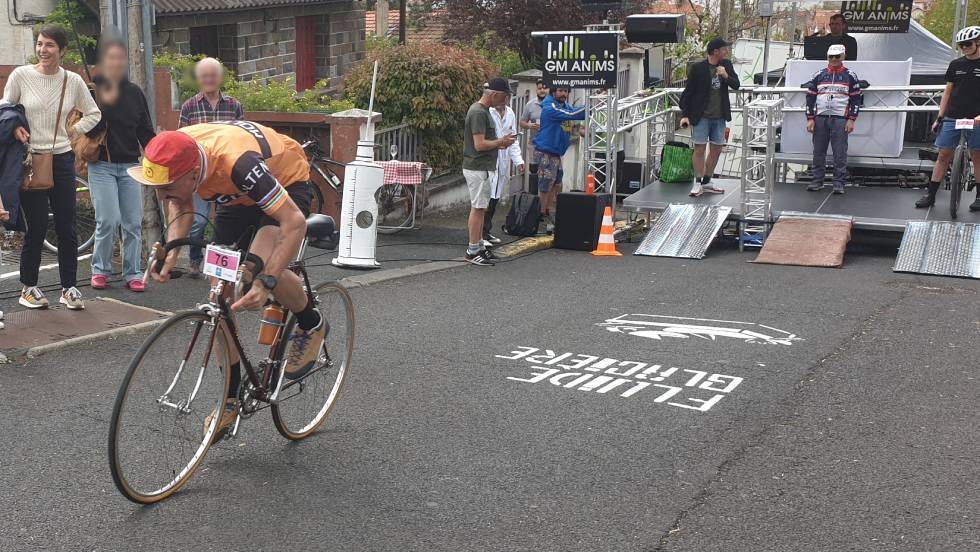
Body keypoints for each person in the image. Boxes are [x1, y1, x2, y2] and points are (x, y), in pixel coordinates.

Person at [130, 121, 324, 438]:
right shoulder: (176, 153)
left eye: (166, 187)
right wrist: (172, 252)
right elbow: (180, 201)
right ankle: (231, 397)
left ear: (194, 174)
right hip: (233, 196)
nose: (159, 195)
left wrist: (267, 282)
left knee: (255, 272)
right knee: (219, 285)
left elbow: (294, 223)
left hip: (283, 183)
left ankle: (310, 320)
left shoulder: (239, 163)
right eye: (155, 187)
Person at [2, 25, 101, 310]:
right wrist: (17, 128)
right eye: (40, 44)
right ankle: (28, 287)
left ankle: (69, 287)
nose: (43, 50)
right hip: (31, 159)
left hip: (62, 159)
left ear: (62, 50)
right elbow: (5, 110)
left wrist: (73, 131)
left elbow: (94, 112)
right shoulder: (21, 75)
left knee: (66, 226)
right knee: (36, 226)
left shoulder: (72, 80)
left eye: (49, 45)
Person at [84, 36, 156, 292]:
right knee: (108, 219)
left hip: (129, 167)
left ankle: (133, 272)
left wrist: (159, 153)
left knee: (133, 222)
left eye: (120, 58)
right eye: (110, 58)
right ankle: (100, 269)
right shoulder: (92, 90)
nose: (115, 63)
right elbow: (82, 128)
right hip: (101, 165)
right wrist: (99, 115)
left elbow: (146, 131)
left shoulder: (135, 93)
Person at [178, 57, 245, 276]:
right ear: (199, 79)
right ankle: (195, 261)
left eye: (213, 76)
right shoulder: (190, 106)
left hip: (228, 172)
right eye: (205, 76)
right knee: (198, 221)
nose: (209, 80)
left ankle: (222, 266)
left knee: (225, 221)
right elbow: (182, 140)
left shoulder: (234, 105)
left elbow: (243, 137)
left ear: (219, 78)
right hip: (201, 173)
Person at [916, 26, 980, 212]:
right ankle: (930, 195)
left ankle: (979, 197)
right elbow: (948, 92)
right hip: (954, 115)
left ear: (978, 42)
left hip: (977, 118)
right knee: (943, 155)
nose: (964, 47)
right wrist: (940, 117)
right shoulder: (956, 65)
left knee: (977, 155)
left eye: (968, 44)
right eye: (961, 45)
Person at [462, 77, 516, 266]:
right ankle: (472, 250)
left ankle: (478, 247)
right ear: (494, 95)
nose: (505, 102)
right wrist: (501, 142)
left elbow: (485, 143)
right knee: (478, 209)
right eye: (504, 97)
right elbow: (479, 144)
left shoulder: (483, 111)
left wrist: (500, 143)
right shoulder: (478, 112)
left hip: (482, 167)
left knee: (481, 208)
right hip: (478, 167)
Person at [679, 38, 740, 197]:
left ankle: (707, 180)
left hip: (720, 116)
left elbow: (736, 84)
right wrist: (685, 115)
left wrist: (726, 75)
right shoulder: (698, 68)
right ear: (715, 51)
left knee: (717, 149)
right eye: (723, 49)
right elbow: (688, 92)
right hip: (701, 116)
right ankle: (697, 182)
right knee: (699, 148)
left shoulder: (726, 65)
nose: (726, 52)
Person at [803, 44, 862, 195]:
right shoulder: (818, 74)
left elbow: (856, 99)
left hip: (840, 118)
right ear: (827, 57)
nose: (834, 59)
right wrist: (810, 118)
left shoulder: (850, 75)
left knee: (840, 152)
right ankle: (817, 181)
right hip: (820, 118)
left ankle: (839, 183)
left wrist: (852, 119)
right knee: (818, 152)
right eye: (831, 57)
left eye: (837, 56)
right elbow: (810, 98)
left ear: (843, 56)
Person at [532, 84, 585, 231]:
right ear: (554, 91)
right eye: (560, 91)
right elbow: (573, 115)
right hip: (546, 151)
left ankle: (547, 211)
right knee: (545, 183)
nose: (563, 94)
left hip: (556, 153)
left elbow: (573, 111)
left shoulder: (565, 105)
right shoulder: (550, 107)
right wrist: (591, 106)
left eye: (566, 91)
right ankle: (541, 215)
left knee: (556, 182)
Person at [485, 98, 525, 245]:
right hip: (488, 160)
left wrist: (518, 161)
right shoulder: (487, 112)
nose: (502, 101)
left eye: (505, 98)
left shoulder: (510, 113)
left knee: (495, 197)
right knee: (486, 197)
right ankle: (480, 234)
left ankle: (486, 231)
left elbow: (513, 139)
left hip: (501, 161)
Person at [519, 80, 549, 193]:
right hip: (534, 144)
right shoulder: (530, 105)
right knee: (534, 172)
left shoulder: (553, 104)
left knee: (548, 174)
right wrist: (530, 125)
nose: (542, 90)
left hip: (550, 145)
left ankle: (545, 205)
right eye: (539, 88)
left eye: (544, 88)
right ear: (536, 90)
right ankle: (533, 199)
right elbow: (522, 122)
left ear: (548, 90)